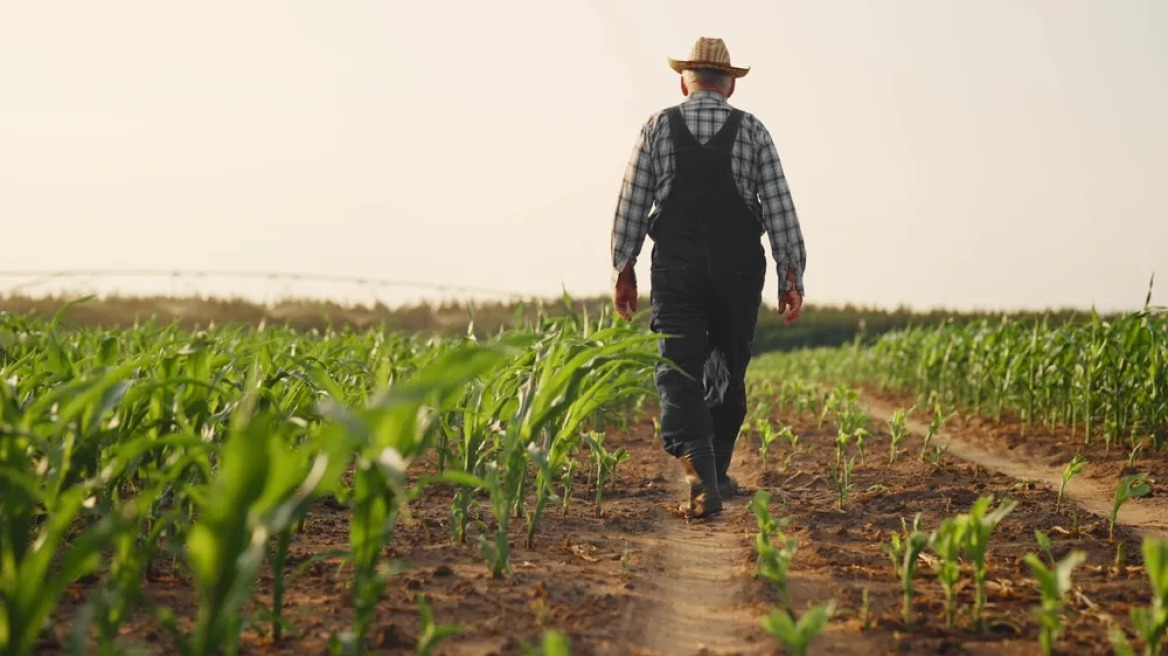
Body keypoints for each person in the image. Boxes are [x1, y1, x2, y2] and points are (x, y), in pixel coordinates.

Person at [609, 37, 807, 519]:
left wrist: (624, 266)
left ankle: (702, 474)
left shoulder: (658, 126)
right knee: (727, 364)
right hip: (739, 269)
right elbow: (779, 206)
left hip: (677, 269)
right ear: (730, 86)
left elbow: (632, 203)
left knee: (677, 367)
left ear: (685, 81)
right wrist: (790, 273)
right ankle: (715, 469)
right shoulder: (754, 131)